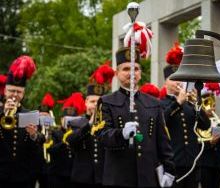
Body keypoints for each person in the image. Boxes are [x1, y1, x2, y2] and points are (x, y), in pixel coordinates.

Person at [99, 47, 175, 187]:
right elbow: (102, 136)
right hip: (119, 177)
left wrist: (169, 170)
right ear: (117, 73)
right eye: (126, 69)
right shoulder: (106, 102)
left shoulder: (154, 103)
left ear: (140, 73)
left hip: (148, 177)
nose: (132, 73)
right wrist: (121, 134)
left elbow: (163, 141)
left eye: (136, 69)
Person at [160, 42, 210, 188]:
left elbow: (205, 125)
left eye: (180, 79)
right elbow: (162, 121)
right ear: (165, 83)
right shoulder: (160, 104)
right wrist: (177, 103)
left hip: (193, 162)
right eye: (173, 79)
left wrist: (197, 104)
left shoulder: (189, 104)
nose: (178, 83)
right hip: (173, 163)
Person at [65, 63, 114, 188]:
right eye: (92, 102)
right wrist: (89, 125)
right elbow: (71, 141)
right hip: (82, 178)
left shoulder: (108, 122)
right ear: (86, 102)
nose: (96, 105)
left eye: (99, 102)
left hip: (103, 177)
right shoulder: (76, 123)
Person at [0, 56, 43, 188]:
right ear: (5, 91)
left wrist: (33, 135)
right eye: (12, 90)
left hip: (24, 176)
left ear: (23, 94)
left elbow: (41, 140)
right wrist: (2, 113)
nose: (15, 94)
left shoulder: (30, 115)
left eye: (19, 91)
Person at [46, 92, 85, 188]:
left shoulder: (79, 133)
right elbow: (50, 149)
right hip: (58, 174)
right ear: (62, 119)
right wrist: (64, 142)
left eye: (73, 119)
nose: (69, 122)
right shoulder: (55, 132)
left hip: (75, 174)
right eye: (67, 119)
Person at [198, 83, 220, 188]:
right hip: (204, 161)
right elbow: (197, 142)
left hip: (218, 160)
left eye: (214, 105)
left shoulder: (217, 120)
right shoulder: (198, 122)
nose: (212, 108)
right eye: (208, 105)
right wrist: (210, 142)